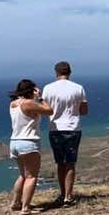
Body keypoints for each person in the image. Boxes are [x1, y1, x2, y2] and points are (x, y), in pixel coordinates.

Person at [42, 61, 88, 206]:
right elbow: (84, 111)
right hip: (73, 128)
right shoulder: (78, 88)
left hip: (55, 129)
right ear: (70, 72)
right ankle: (69, 196)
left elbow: (44, 109)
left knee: (60, 163)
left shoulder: (48, 88)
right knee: (70, 163)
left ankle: (62, 194)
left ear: (56, 73)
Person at [8, 79, 53, 215]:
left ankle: (16, 202)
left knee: (23, 175)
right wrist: (40, 98)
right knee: (32, 176)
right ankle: (25, 207)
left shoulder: (13, 104)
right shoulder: (28, 104)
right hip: (28, 142)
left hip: (14, 141)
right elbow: (49, 110)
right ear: (31, 90)